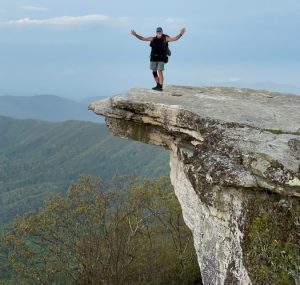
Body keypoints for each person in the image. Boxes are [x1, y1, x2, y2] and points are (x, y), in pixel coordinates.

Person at [131, 27, 186, 91]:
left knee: (160, 71)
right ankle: (157, 85)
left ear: (162, 32)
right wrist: (135, 35)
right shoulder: (152, 38)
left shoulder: (165, 38)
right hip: (153, 58)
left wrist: (180, 34)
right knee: (154, 72)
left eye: (160, 32)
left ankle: (160, 86)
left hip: (161, 58)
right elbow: (142, 38)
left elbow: (174, 39)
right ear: (156, 32)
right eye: (158, 32)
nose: (159, 33)